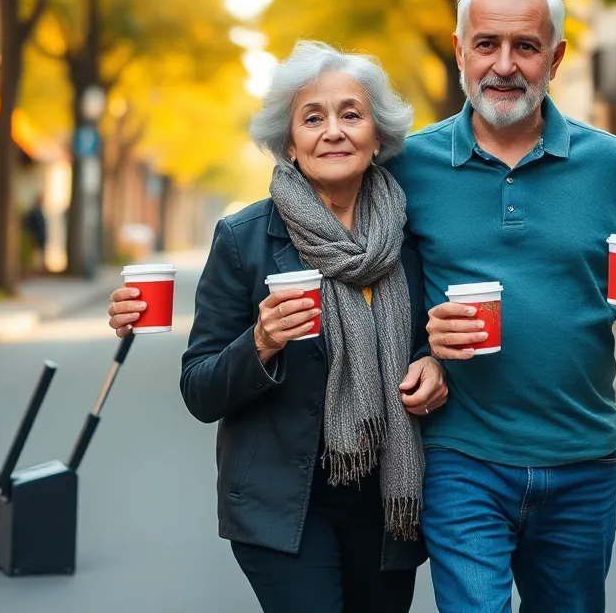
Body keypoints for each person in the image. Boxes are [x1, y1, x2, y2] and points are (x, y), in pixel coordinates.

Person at [384, 0, 616, 612]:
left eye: (525, 47)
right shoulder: (407, 167)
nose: (504, 65)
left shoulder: (615, 168)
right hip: (461, 457)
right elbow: (378, 297)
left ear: (554, 58)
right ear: (460, 50)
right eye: (487, 44)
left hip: (582, 462)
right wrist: (424, 347)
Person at [106, 41, 446, 613]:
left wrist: (435, 366)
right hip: (284, 504)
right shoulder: (244, 239)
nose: (332, 131)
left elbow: (431, 338)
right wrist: (260, 343)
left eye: (350, 114)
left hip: (388, 504)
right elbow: (200, 388)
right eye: (313, 118)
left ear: (377, 136)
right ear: (289, 142)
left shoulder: (413, 237)